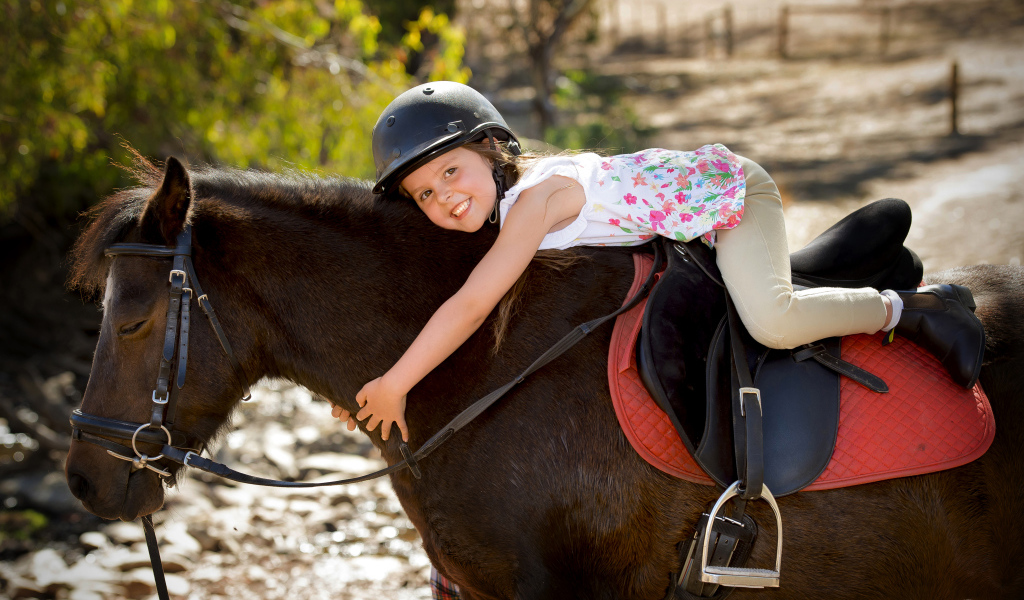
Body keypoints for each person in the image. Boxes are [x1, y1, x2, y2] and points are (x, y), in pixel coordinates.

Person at [331, 81, 985, 442]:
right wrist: (383, 380)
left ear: (493, 152)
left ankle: (916, 309)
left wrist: (398, 383)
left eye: (451, 171)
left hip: (729, 195)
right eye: (424, 193)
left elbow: (473, 303)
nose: (444, 196)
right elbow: (454, 297)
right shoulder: (501, 213)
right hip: (681, 221)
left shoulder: (537, 200)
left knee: (771, 320)